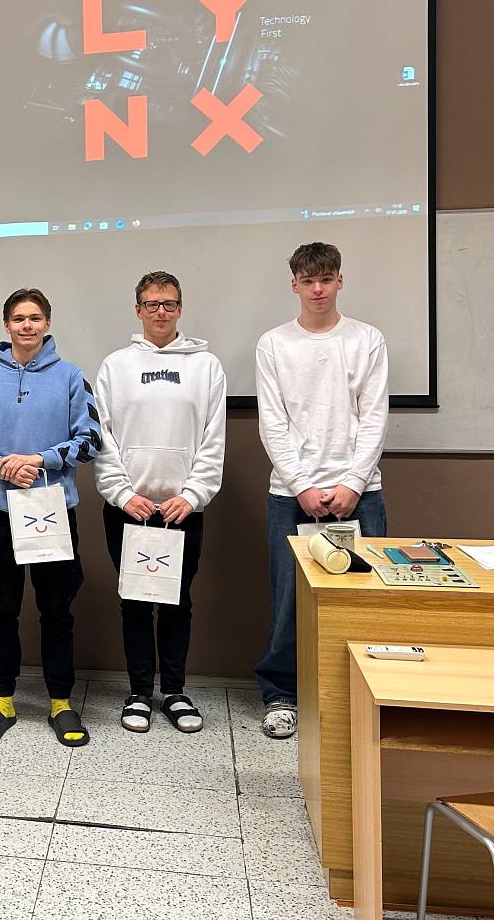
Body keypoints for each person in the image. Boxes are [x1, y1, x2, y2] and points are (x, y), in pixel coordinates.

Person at [254, 243, 389, 739]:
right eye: (308, 281)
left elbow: (374, 417)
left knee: (362, 597)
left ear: (339, 281)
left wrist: (352, 483)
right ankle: (282, 696)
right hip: (292, 497)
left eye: (326, 279)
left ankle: (358, 697)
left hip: (360, 494)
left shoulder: (367, 339)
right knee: (289, 600)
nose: (317, 289)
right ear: (294, 284)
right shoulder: (274, 344)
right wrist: (303, 486)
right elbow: (273, 423)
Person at [0, 288, 101, 747]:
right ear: (7, 325)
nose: (27, 326)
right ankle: (3, 700)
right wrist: (3, 466)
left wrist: (39, 461)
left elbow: (91, 440)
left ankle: (61, 701)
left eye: (35, 318)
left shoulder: (72, 377)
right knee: (1, 611)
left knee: (56, 610)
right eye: (19, 318)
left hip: (50, 509)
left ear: (47, 323)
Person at [94, 271, 226, 735]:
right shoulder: (115, 366)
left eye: (169, 303)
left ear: (180, 308)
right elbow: (102, 436)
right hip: (129, 509)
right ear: (138, 310)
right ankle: (138, 693)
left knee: (177, 602)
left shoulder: (206, 366)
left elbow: (213, 438)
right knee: (134, 603)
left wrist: (192, 496)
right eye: (151, 304)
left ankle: (173, 691)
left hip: (181, 510)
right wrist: (122, 494)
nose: (161, 311)